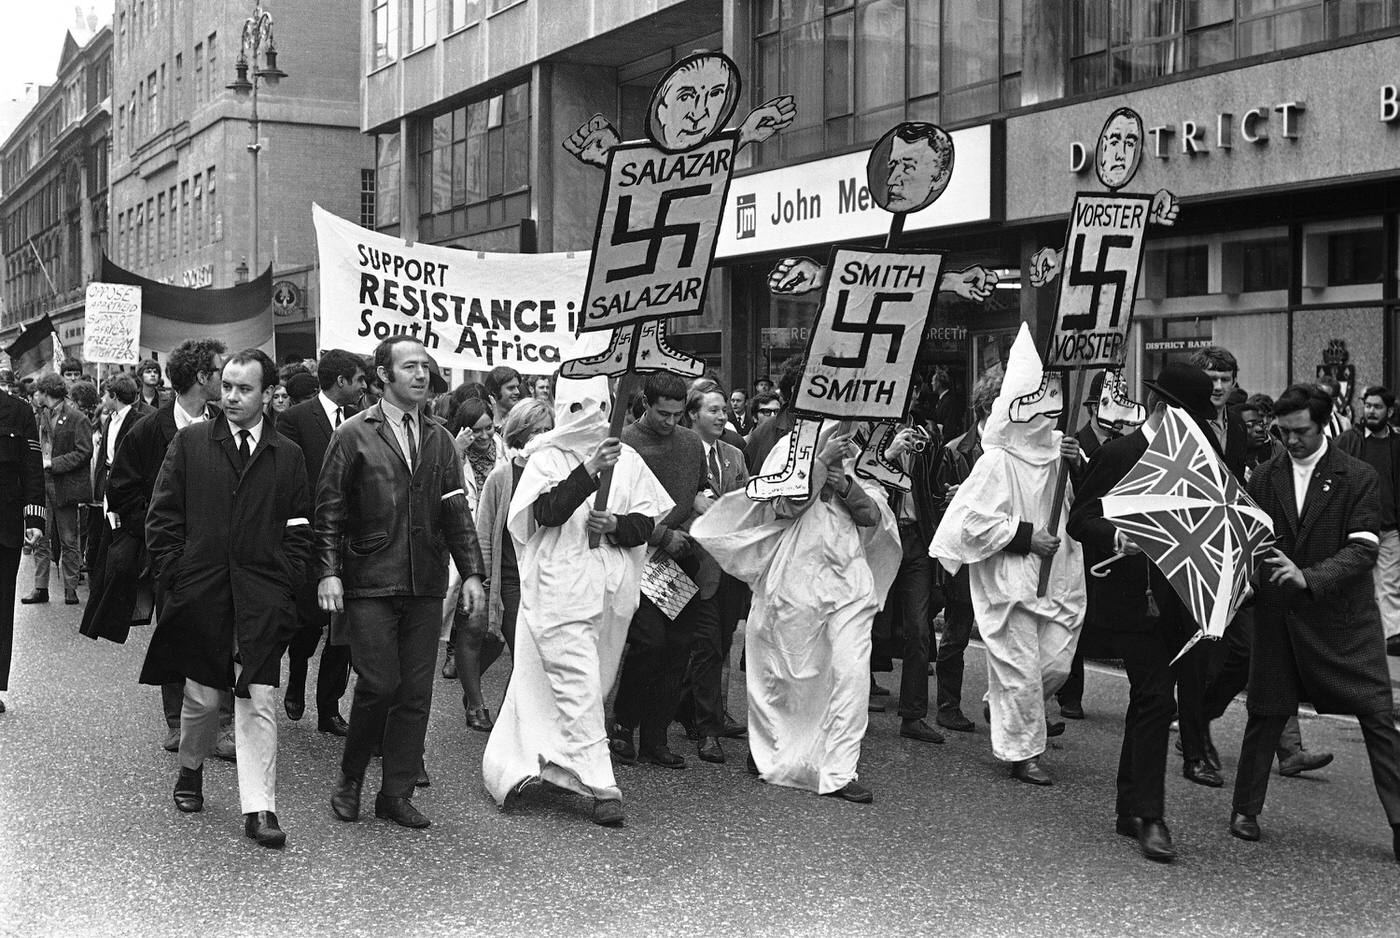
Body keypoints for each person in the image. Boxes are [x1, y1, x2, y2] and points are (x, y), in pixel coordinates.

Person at [139, 349, 312, 849]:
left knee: (257, 697)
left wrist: (285, 589)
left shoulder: (289, 454)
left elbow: (300, 527)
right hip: (204, 592)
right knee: (201, 697)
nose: (231, 396)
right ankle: (190, 769)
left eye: (244, 389)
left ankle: (260, 808)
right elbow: (163, 518)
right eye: (228, 387)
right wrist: (179, 578)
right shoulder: (192, 442)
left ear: (268, 395)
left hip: (262, 597)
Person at [482, 378, 672, 826]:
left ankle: (532, 762)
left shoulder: (630, 461)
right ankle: (601, 782)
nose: (588, 414)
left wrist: (617, 525)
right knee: (577, 681)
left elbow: (646, 523)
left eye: (598, 405)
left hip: (609, 592)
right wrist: (588, 471)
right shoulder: (545, 456)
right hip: (559, 589)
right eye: (578, 405)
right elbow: (544, 513)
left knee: (577, 681)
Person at [319, 336, 486, 830]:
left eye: (426, 367)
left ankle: (396, 792)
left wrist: (472, 572)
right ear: (383, 376)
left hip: (424, 580)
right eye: (409, 366)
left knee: (415, 691)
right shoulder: (353, 433)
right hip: (369, 578)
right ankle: (350, 778)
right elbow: (328, 510)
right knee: (379, 683)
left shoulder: (438, 437)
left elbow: (455, 508)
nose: (420, 374)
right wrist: (328, 571)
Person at [1229, 383, 1400, 862]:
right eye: (1283, 432)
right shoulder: (1264, 476)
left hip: (1344, 621)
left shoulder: (1358, 476)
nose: (1291, 441)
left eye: (1300, 431)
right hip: (1279, 617)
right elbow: (1250, 541)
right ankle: (1245, 809)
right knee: (1265, 713)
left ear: (1322, 425)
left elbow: (1364, 548)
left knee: (1378, 718)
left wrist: (1307, 577)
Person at [693, 422, 900, 803]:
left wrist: (846, 485)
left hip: (848, 580)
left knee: (851, 674)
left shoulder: (858, 452)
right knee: (786, 672)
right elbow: (779, 506)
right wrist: (819, 466)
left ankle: (839, 768)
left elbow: (874, 515)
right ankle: (771, 748)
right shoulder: (790, 448)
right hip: (794, 579)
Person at [1067, 361, 1219, 863]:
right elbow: (1080, 519)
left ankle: (1129, 806)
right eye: (1189, 416)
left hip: (1181, 598)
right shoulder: (1121, 453)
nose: (1197, 427)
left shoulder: (1201, 457)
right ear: (1161, 408)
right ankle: (1151, 818)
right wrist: (1117, 535)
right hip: (1134, 599)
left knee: (1150, 701)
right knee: (1156, 697)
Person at [929, 325, 1085, 787]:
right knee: (1018, 670)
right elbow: (968, 523)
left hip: (1058, 575)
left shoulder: (1061, 452)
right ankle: (1023, 754)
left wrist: (1079, 463)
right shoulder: (995, 460)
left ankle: (1005, 705)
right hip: (1012, 578)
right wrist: (1025, 537)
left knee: (1055, 663)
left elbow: (1083, 502)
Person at [102, 339, 230, 752]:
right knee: (174, 631)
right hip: (170, 556)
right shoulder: (148, 429)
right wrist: (160, 532)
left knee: (222, 634)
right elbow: (120, 488)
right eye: (219, 370)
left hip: (219, 553)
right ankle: (177, 723)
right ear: (200, 378)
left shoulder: (226, 424)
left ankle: (223, 725)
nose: (225, 377)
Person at [609, 372, 715, 770]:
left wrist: (689, 530)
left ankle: (655, 737)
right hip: (639, 555)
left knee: (677, 648)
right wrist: (661, 534)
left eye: (677, 415)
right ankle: (623, 724)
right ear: (645, 405)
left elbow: (698, 493)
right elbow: (616, 507)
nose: (670, 422)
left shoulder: (690, 443)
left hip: (679, 558)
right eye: (662, 414)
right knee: (648, 643)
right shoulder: (625, 443)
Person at [275, 348, 365, 737]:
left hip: (354, 542)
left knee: (342, 632)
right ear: (341, 381)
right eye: (359, 379)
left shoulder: (364, 421)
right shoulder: (295, 418)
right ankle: (296, 676)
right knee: (310, 623)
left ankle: (329, 708)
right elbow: (286, 477)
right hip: (310, 539)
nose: (365, 386)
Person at [467, 399, 555, 713]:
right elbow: (484, 533)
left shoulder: (557, 475)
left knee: (537, 658)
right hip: (510, 581)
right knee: (524, 655)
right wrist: (484, 582)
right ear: (519, 436)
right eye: (535, 432)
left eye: (548, 430)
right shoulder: (501, 477)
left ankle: (511, 715)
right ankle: (507, 718)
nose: (543, 438)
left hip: (544, 579)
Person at [679, 385, 750, 763]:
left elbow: (746, 502)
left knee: (720, 642)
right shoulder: (682, 451)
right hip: (689, 561)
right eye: (713, 410)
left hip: (730, 564)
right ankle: (709, 729)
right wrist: (691, 500)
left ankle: (688, 706)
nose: (722, 416)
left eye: (724, 410)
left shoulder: (735, 454)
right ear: (693, 414)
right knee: (702, 644)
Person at [931, 367, 1001, 733]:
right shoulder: (956, 450)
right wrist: (958, 497)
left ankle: (1015, 707)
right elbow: (939, 505)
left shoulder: (1013, 451)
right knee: (958, 631)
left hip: (1000, 552)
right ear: (988, 407)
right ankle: (948, 704)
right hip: (967, 555)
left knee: (1008, 635)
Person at [878, 403, 949, 745]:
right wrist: (889, 453)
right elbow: (859, 480)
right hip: (880, 540)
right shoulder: (870, 432)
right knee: (863, 624)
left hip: (916, 540)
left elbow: (933, 485)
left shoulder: (925, 437)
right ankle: (846, 703)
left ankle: (913, 715)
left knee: (919, 630)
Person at [443, 398, 508, 722]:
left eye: (489, 428)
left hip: (501, 543)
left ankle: (471, 687)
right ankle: (476, 703)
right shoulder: (452, 450)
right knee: (474, 625)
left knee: (498, 635)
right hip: (468, 542)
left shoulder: (506, 451)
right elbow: (441, 486)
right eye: (476, 430)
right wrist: (456, 450)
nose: (483, 437)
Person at [1337, 386, 1400, 653]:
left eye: (1377, 407)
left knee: (1389, 581)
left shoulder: (1397, 442)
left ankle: (1392, 638)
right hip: (1358, 526)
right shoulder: (1349, 440)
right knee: (1356, 581)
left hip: (1390, 525)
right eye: (1368, 406)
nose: (1371, 411)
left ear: (1390, 411)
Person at [23, 374, 92, 607]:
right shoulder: (39, 416)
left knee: (69, 538)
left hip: (64, 484)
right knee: (40, 537)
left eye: (39, 392)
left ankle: (70, 588)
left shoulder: (77, 418)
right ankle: (40, 587)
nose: (36, 395)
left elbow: (85, 452)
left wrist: (54, 463)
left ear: (46, 392)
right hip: (41, 482)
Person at [0, 381, 45, 714]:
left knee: (1, 605)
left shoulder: (18, 410)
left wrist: (35, 520)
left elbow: (32, 466)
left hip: (4, 523)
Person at [85, 374, 150, 582]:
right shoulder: (110, 421)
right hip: (108, 485)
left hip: (127, 491)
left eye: (105, 393)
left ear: (114, 395)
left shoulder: (138, 421)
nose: (103, 398)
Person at [1240, 393, 1286, 481]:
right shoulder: (1237, 442)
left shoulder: (1277, 445)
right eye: (1261, 416)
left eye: (1269, 416)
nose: (1265, 421)